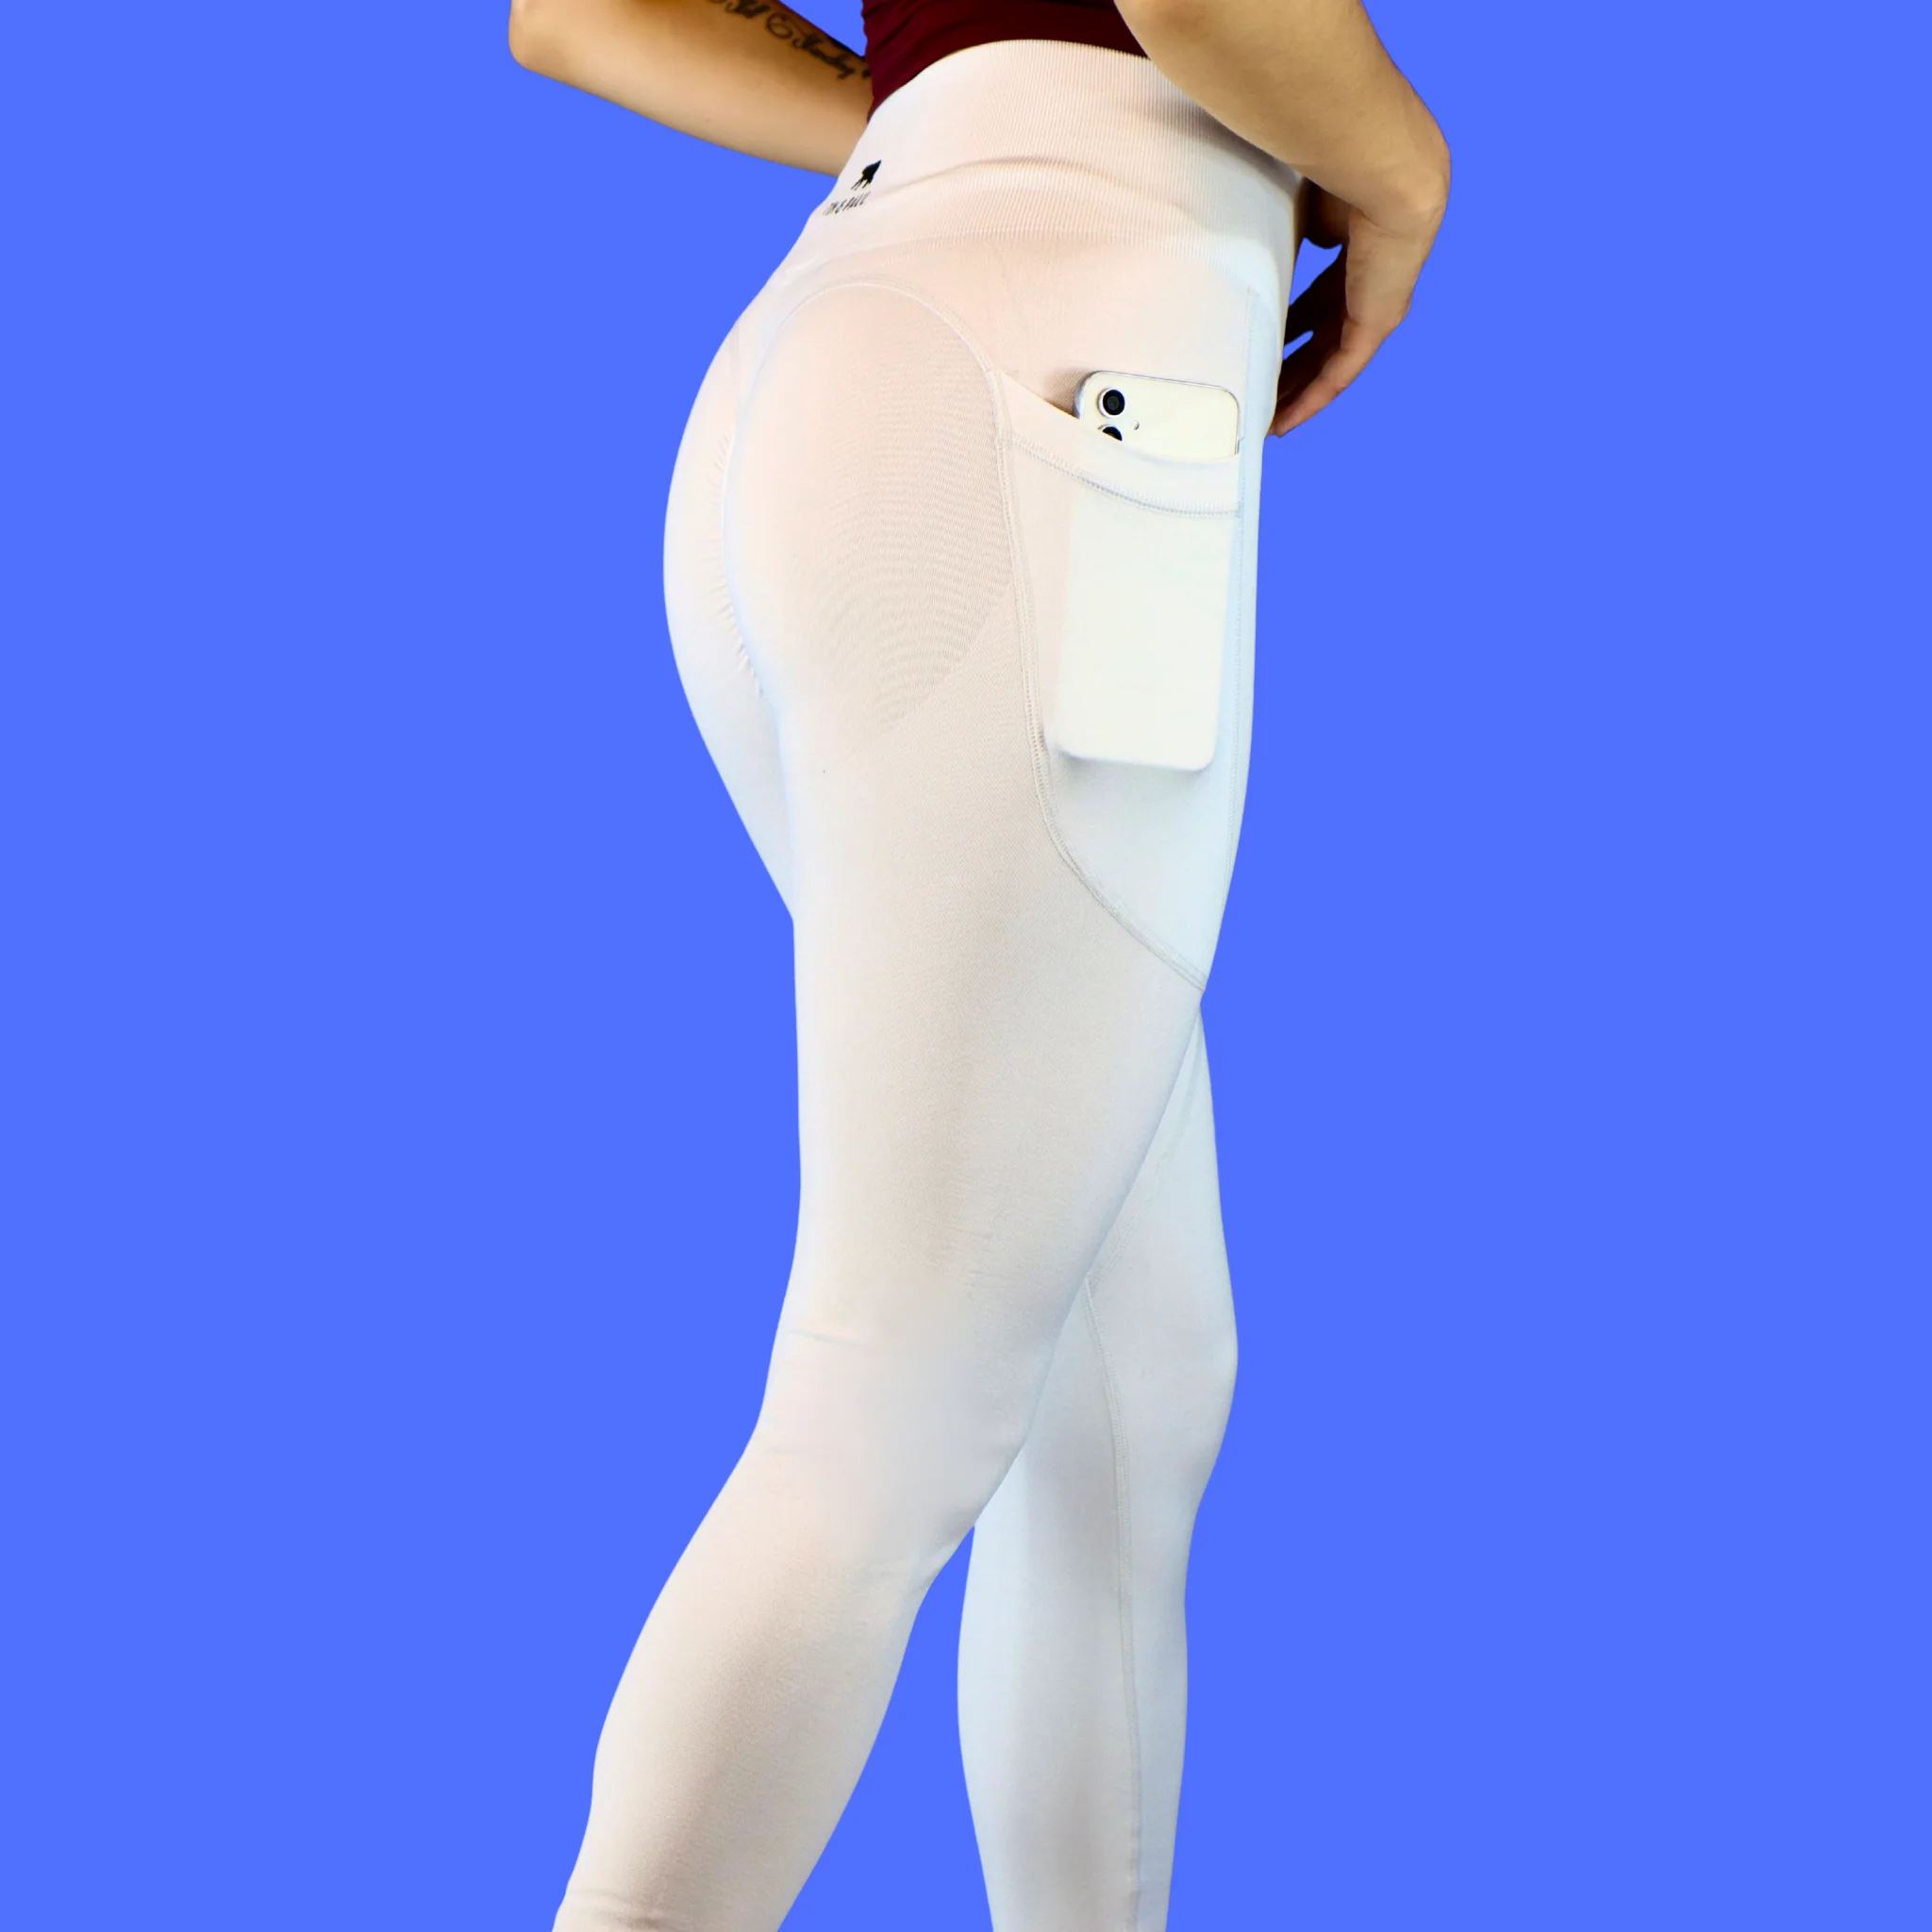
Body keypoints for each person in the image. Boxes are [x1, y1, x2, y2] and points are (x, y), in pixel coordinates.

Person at [508, 0, 1447, 1925]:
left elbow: (575, 14)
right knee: (888, 1414)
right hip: (1060, 383)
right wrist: (1398, 174)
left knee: (1138, 1378)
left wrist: (944, 99)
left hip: (835, 356)